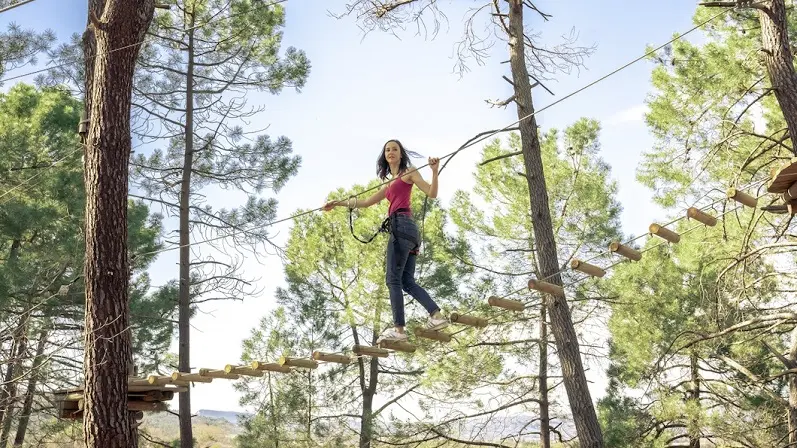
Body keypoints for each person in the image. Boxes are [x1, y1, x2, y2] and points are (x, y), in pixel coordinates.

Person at [322, 139, 448, 342]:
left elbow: (432, 194)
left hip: (402, 226)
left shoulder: (409, 172)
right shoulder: (389, 183)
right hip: (409, 231)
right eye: (387, 149)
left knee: (393, 279)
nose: (391, 152)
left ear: (400, 154)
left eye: (394, 149)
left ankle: (399, 331)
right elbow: (364, 202)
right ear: (384, 155)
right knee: (406, 281)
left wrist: (434, 171)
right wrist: (338, 204)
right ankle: (436, 316)